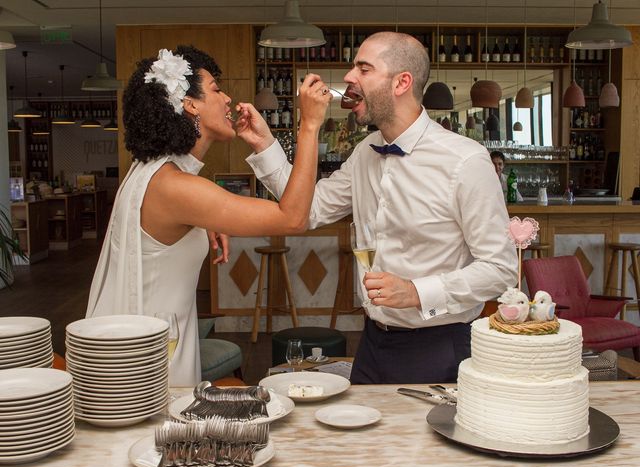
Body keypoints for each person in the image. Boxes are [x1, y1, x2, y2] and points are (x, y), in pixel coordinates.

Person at [246, 32, 518, 384]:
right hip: (372, 342)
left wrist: (417, 292)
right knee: (364, 442)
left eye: (363, 68)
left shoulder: (465, 160)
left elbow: (500, 268)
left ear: (401, 82)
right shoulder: (365, 152)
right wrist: (266, 144)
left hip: (440, 347)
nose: (348, 78)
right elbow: (308, 210)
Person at [86, 45, 330, 387]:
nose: (228, 98)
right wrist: (310, 126)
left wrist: (201, 224)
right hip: (151, 358)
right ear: (190, 104)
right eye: (216, 89)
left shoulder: (154, 173)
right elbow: (293, 219)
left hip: (149, 340)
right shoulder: (175, 187)